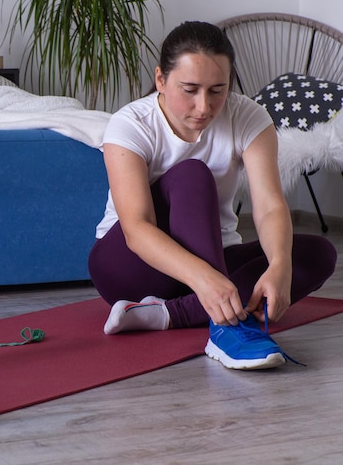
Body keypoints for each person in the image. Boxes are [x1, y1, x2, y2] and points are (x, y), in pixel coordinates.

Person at [87, 20, 337, 370]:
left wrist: (280, 265)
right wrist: (207, 280)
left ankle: (169, 314)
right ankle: (225, 326)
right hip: (130, 267)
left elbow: (268, 207)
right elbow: (136, 228)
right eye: (189, 90)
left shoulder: (249, 117)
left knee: (316, 254)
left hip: (213, 260)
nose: (203, 107)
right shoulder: (130, 124)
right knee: (192, 173)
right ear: (161, 79)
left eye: (217, 90)